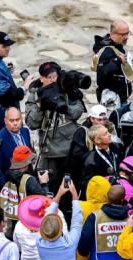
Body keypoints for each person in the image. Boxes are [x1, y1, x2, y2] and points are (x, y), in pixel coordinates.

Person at [25, 61, 85, 190]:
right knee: (51, 186)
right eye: (48, 77)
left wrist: (64, 107)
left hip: (70, 147)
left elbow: (77, 112)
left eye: (54, 76)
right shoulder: (35, 93)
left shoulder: (66, 88)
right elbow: (31, 123)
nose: (52, 80)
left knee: (72, 184)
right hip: (50, 150)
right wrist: (41, 105)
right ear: (41, 79)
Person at [0, 145, 50, 238]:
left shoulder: (7, 176)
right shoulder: (30, 181)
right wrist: (44, 183)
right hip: (29, 226)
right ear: (26, 164)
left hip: (13, 226)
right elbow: (45, 202)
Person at [93, 19, 133, 103]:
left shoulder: (117, 46)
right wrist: (118, 60)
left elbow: (123, 60)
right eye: (123, 34)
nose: (127, 37)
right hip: (111, 101)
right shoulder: (106, 50)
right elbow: (102, 74)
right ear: (112, 34)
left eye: (127, 33)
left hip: (120, 99)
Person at [0, 107, 33, 190]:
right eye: (11, 120)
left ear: (21, 119)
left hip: (28, 179)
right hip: (11, 184)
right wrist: (6, 188)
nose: (15, 123)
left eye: (17, 120)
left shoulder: (25, 131)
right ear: (5, 121)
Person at [80, 125, 122, 192]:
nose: (109, 135)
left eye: (108, 132)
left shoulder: (116, 147)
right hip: (102, 191)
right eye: (105, 134)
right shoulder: (91, 159)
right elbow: (87, 183)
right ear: (97, 140)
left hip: (118, 187)